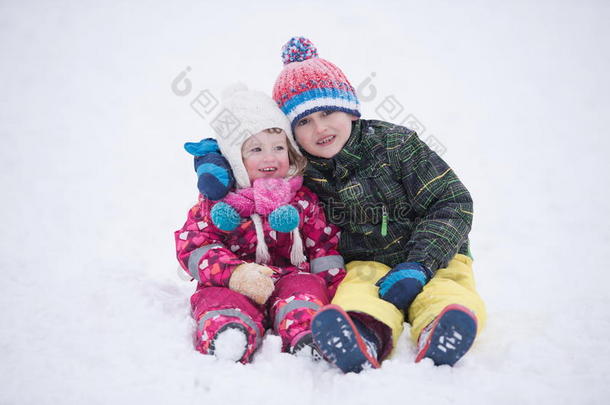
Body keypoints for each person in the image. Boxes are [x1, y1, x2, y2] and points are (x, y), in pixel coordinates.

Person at [268, 37, 488, 372]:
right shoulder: (302, 172)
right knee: (356, 293)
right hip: (365, 264)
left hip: (437, 255)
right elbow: (254, 168)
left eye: (328, 113)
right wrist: (218, 158)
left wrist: (421, 264)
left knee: (446, 289)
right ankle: (362, 334)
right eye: (304, 122)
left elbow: (451, 201)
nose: (320, 128)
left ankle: (441, 328)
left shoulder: (395, 145)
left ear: (350, 109)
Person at [174, 84, 345, 363]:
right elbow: (194, 245)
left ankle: (307, 333)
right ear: (235, 159)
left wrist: (333, 287)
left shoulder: (301, 199)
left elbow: (323, 245)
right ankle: (230, 331)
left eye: (278, 147)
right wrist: (233, 274)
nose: (270, 157)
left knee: (306, 290)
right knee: (216, 297)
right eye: (255, 148)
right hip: (235, 281)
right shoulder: (218, 204)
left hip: (291, 277)